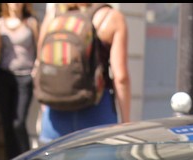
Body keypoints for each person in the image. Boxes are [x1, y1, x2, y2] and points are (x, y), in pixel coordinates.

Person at [35, 2, 129, 144]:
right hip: (96, 112)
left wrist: (45, 103)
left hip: (54, 114)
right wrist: (126, 122)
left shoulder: (54, 15)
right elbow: (120, 77)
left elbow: (39, 63)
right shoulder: (111, 17)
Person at [0, 2, 37, 159]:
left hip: (26, 76)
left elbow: (39, 49)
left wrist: (37, 68)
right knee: (7, 123)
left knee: (19, 122)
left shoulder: (31, 23)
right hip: (5, 76)